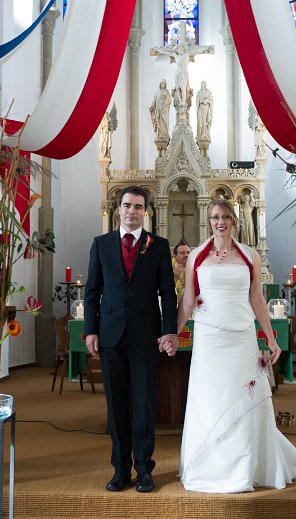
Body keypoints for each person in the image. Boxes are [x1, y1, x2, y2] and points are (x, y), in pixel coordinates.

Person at [172, 199, 296, 493]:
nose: (220, 222)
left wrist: (270, 338)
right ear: (209, 221)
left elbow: (256, 298)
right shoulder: (196, 256)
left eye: (225, 217)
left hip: (241, 337)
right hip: (209, 339)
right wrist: (173, 334)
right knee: (210, 397)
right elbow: (188, 300)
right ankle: (208, 465)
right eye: (215, 217)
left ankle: (244, 468)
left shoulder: (249, 254)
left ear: (234, 220)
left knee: (243, 397)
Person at [84, 186, 178, 493]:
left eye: (138, 206)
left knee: (143, 406)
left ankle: (145, 470)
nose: (131, 211)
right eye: (127, 205)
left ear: (145, 211)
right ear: (118, 209)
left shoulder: (158, 246)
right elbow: (92, 291)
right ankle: (120, 470)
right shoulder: (101, 244)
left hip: (145, 336)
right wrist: (91, 329)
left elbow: (168, 292)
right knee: (116, 407)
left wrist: (169, 330)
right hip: (110, 334)